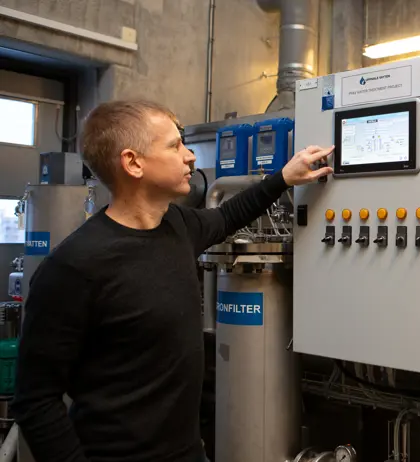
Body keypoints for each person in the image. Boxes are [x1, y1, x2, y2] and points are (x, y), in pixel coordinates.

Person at [10, 100, 333, 462]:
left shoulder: (179, 227)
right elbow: (35, 401)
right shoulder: (74, 267)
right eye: (175, 146)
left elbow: (228, 214)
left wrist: (284, 176)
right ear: (133, 163)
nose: (190, 156)